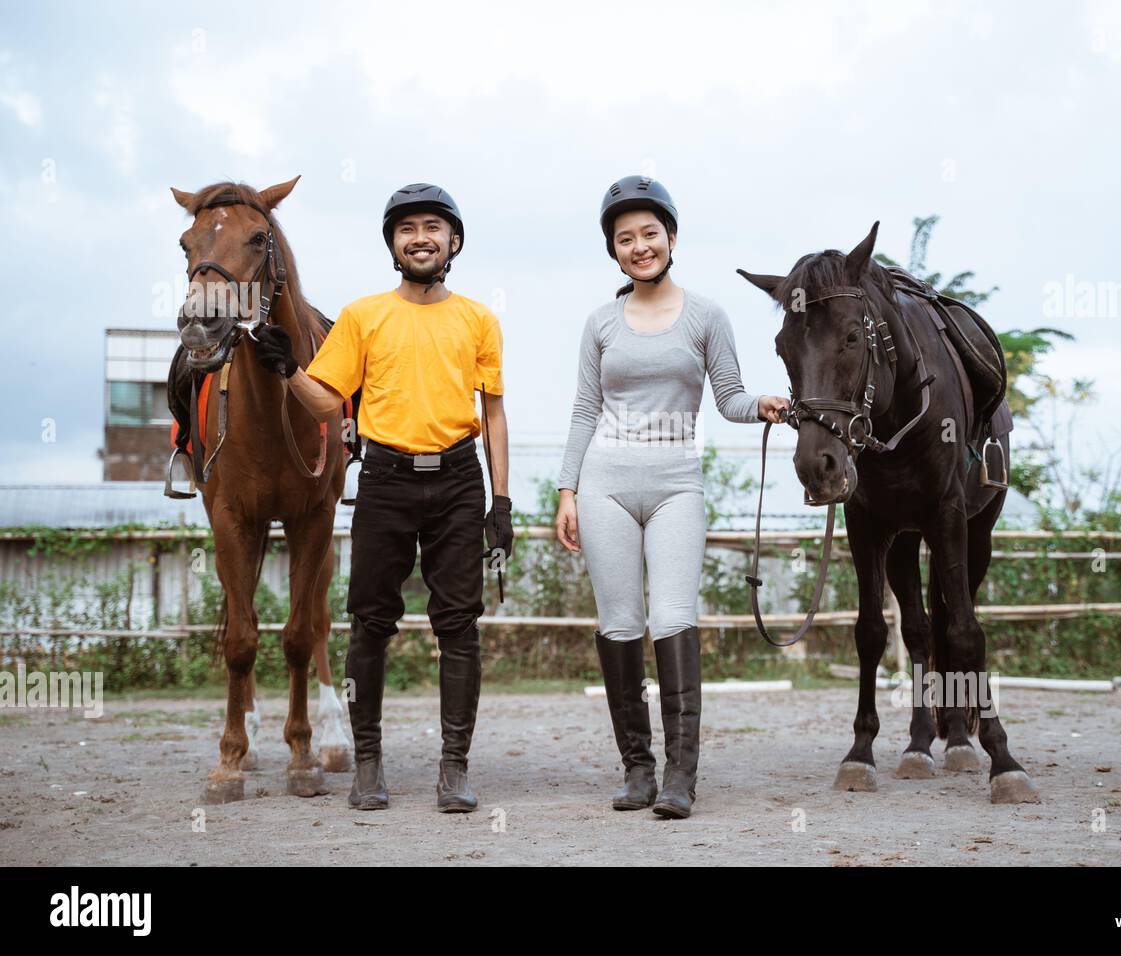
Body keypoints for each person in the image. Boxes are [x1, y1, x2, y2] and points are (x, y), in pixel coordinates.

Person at [250, 183, 512, 812]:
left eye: (432, 227)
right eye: (407, 229)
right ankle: (368, 763)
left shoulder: (478, 318)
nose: (419, 238)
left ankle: (454, 769)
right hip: (386, 480)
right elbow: (327, 399)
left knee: (460, 626)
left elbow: (494, 415)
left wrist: (500, 502)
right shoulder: (364, 316)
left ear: (453, 241)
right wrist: (287, 371)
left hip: (456, 478)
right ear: (393, 244)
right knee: (370, 622)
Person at [555, 175, 788, 818]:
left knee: (674, 616)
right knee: (621, 622)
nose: (639, 246)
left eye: (649, 234)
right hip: (605, 483)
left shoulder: (708, 315)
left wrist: (763, 405)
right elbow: (583, 409)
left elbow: (730, 398)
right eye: (625, 238)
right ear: (614, 250)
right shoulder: (600, 321)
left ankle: (682, 775)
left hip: (676, 483)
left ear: (671, 237)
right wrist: (567, 489)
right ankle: (637, 769)